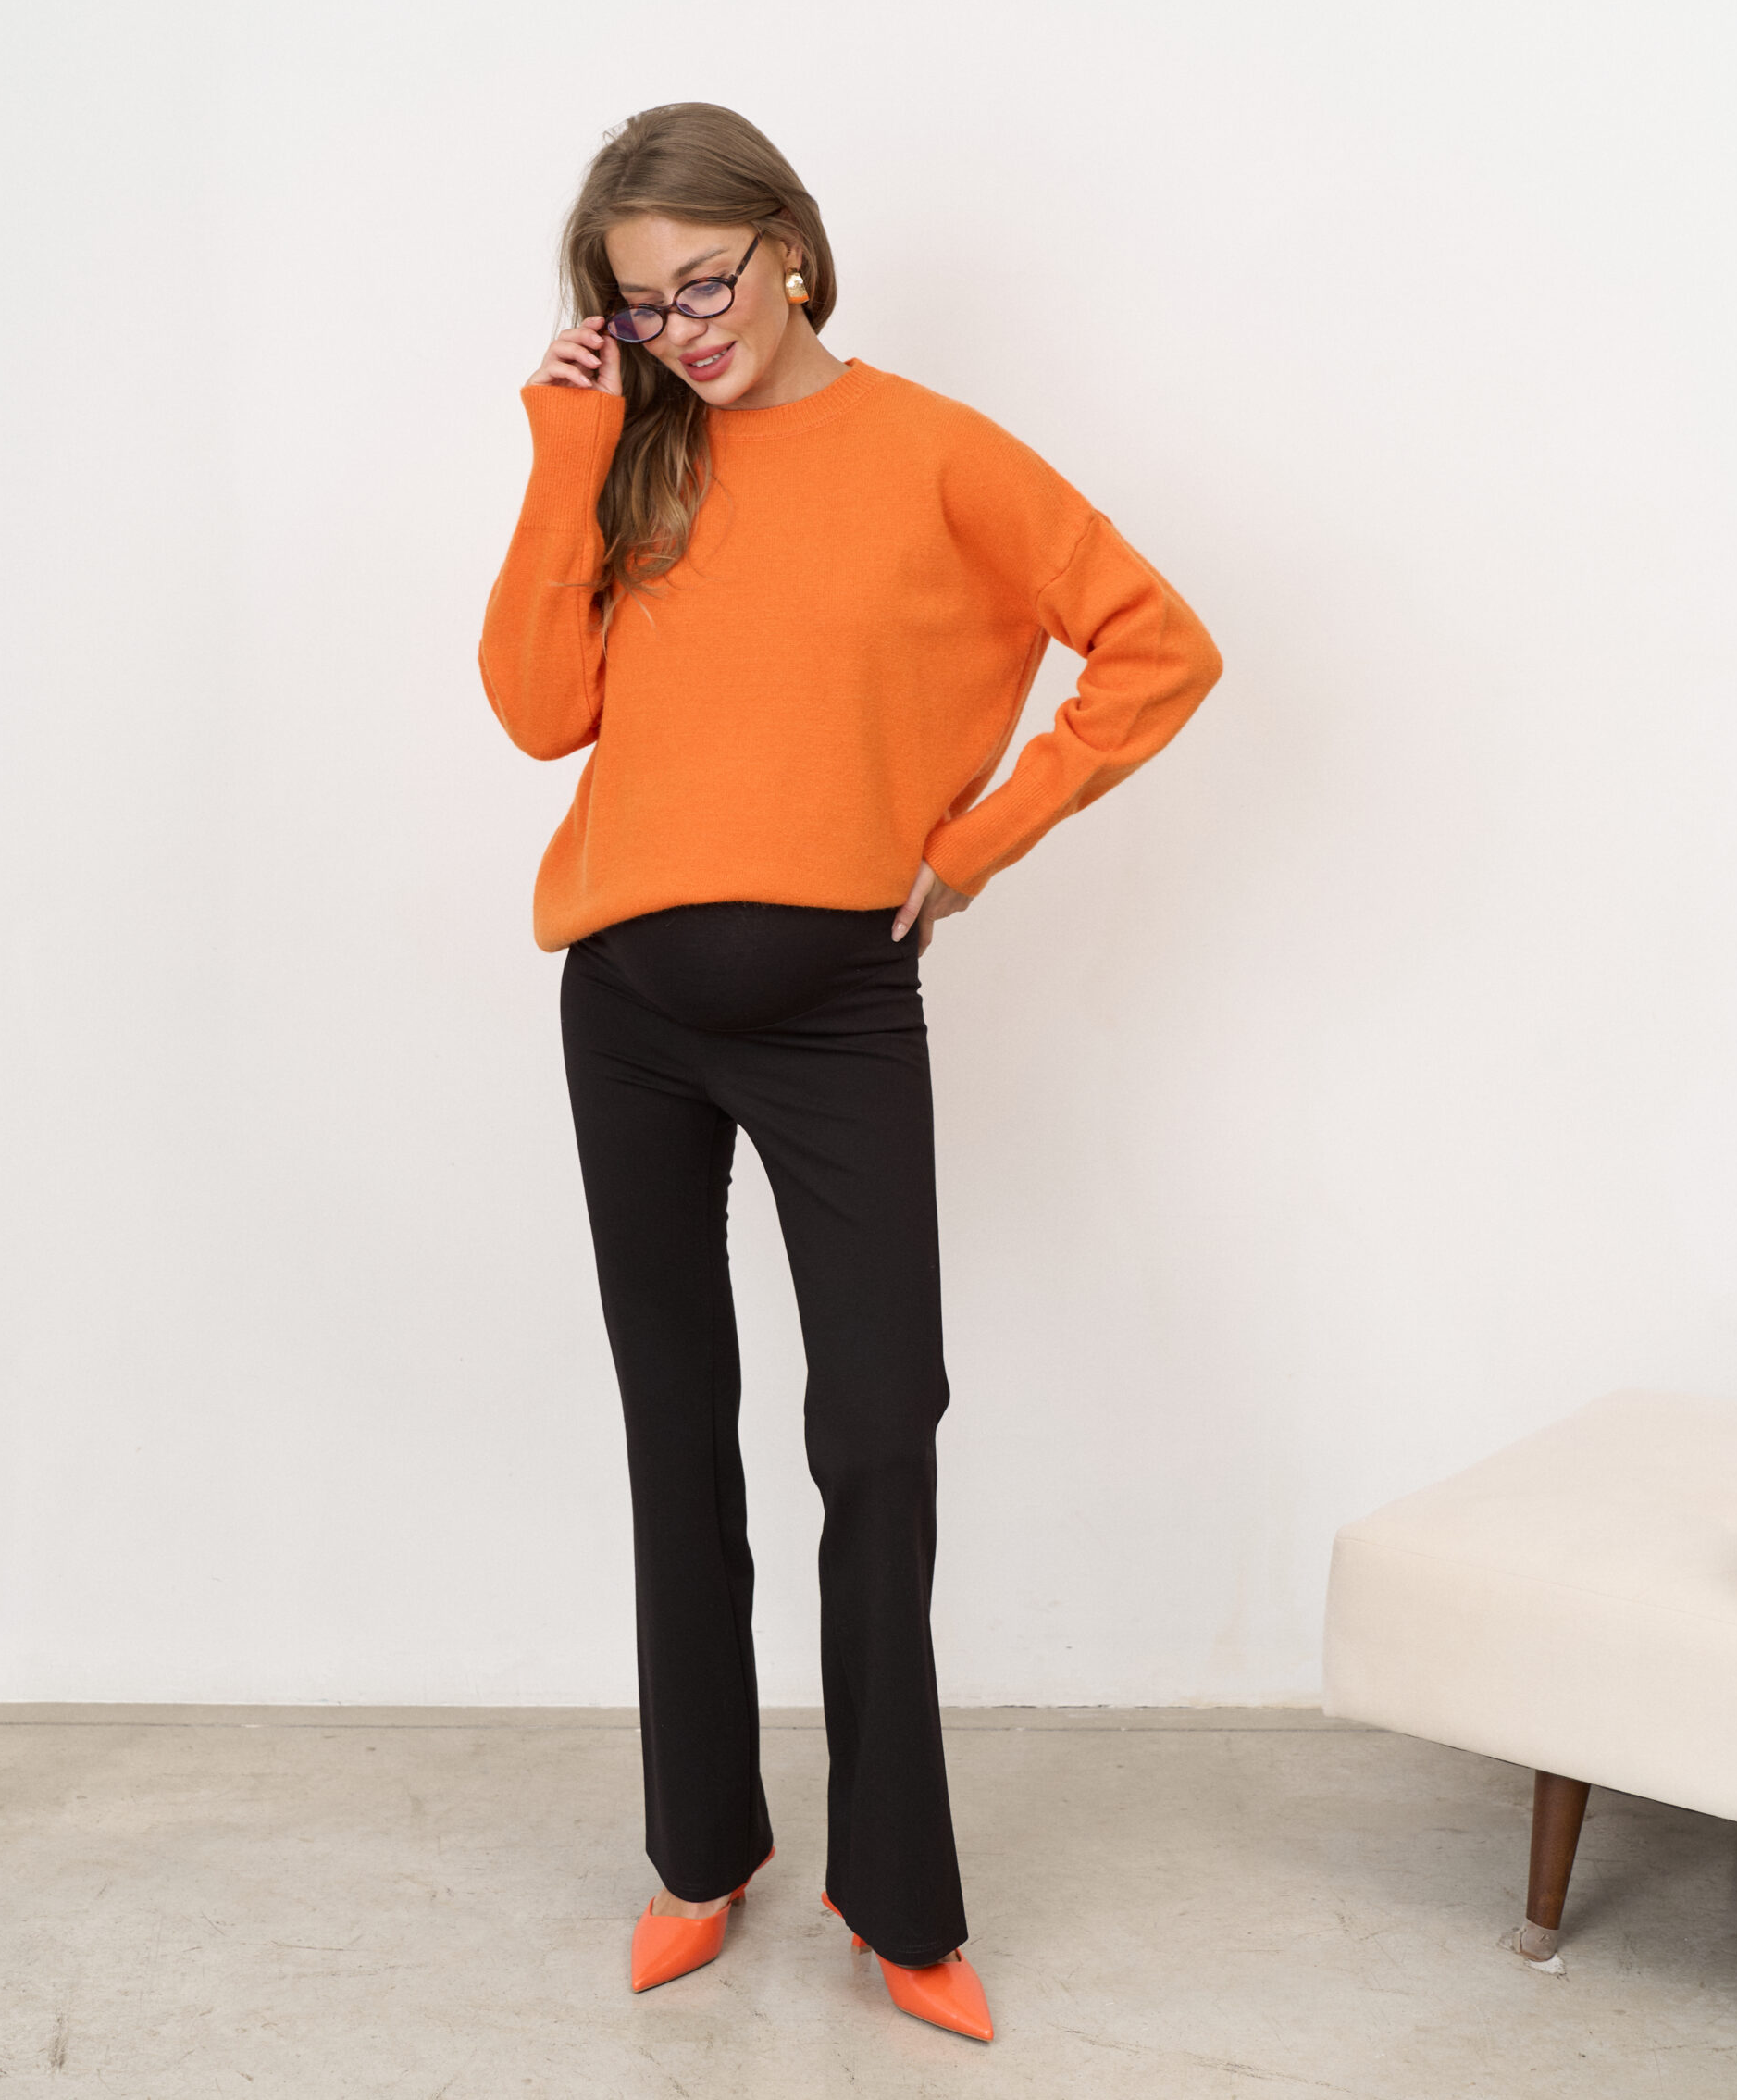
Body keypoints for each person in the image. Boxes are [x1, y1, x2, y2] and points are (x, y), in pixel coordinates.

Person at [478, 102, 1222, 2043]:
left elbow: (1156, 644)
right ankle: (696, 1851)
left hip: (834, 1017)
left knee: (878, 1429)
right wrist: (566, 447)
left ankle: (897, 1890)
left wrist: (974, 844)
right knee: (678, 1428)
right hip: (626, 1012)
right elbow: (537, 714)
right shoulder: (633, 456)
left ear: (789, 245)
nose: (683, 327)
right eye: (641, 305)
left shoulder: (938, 452)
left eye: (705, 282)